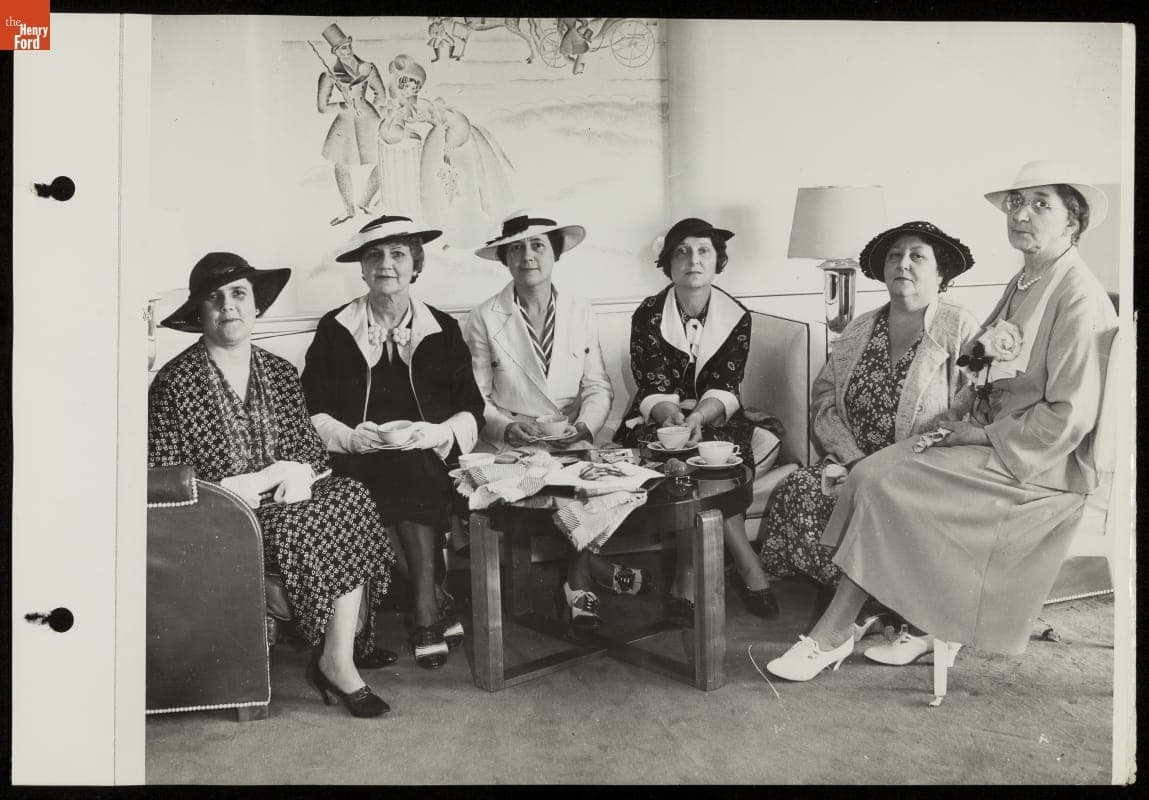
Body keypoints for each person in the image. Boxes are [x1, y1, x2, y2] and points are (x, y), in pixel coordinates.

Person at [766, 161, 1119, 681]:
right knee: (870, 472)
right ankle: (925, 624)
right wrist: (953, 425)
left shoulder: (1077, 295)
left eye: (1041, 204)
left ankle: (833, 634)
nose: (1021, 214)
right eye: (1017, 202)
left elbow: (1069, 417)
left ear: (1073, 221)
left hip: (1041, 461)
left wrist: (978, 433)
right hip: (991, 438)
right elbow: (981, 373)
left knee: (883, 483)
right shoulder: (1028, 281)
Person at [149, 252, 397, 718]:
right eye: (215, 298)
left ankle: (336, 655)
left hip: (288, 503)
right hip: (221, 516)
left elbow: (310, 453)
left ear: (256, 306)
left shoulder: (280, 372)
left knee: (352, 496)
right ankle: (339, 659)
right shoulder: (173, 383)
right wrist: (250, 481)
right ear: (199, 312)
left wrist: (294, 471)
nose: (229, 306)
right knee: (316, 523)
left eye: (239, 294)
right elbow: (168, 480)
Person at [758, 221, 981, 618]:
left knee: (876, 503)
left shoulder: (958, 325)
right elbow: (824, 399)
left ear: (941, 272)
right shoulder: (861, 327)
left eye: (917, 256)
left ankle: (881, 603)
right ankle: (868, 600)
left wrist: (900, 459)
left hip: (922, 466)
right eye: (895, 256)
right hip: (853, 462)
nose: (903, 264)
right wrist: (850, 456)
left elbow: (974, 402)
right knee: (799, 488)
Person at [301, 215, 485, 670]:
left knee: (414, 469)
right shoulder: (335, 328)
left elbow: (471, 409)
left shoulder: (442, 328)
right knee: (381, 482)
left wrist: (437, 433)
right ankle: (434, 600)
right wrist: (348, 437)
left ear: (415, 266)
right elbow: (309, 409)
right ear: (362, 269)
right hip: (354, 459)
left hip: (425, 458)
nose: (386, 264)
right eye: (374, 255)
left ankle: (423, 607)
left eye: (398, 254)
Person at [465, 212, 640, 629]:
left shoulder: (580, 310)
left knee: (597, 485)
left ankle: (579, 578)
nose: (528, 256)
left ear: (555, 254)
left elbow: (598, 387)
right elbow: (476, 397)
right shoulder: (484, 317)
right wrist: (507, 427)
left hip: (571, 435)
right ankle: (587, 579)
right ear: (504, 259)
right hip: (510, 441)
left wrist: (585, 428)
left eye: (538, 245)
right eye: (516, 248)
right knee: (555, 488)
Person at [614, 217, 781, 625]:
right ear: (668, 263)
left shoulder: (736, 314)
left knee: (719, 457)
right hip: (660, 413)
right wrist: (674, 416)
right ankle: (742, 564)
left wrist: (701, 416)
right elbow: (651, 381)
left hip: (714, 413)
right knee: (675, 454)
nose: (693, 260)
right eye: (682, 251)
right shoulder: (648, 314)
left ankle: (691, 573)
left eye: (703, 250)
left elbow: (727, 383)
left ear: (717, 260)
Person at [316, 23, 385, 226]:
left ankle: (366, 201)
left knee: (383, 159)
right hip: (345, 120)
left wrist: (375, 110)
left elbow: (380, 93)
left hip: (367, 117)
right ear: (335, 52)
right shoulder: (329, 74)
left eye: (347, 46)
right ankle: (348, 208)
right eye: (341, 48)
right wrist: (342, 105)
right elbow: (322, 107)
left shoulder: (368, 67)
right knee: (341, 163)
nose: (347, 51)